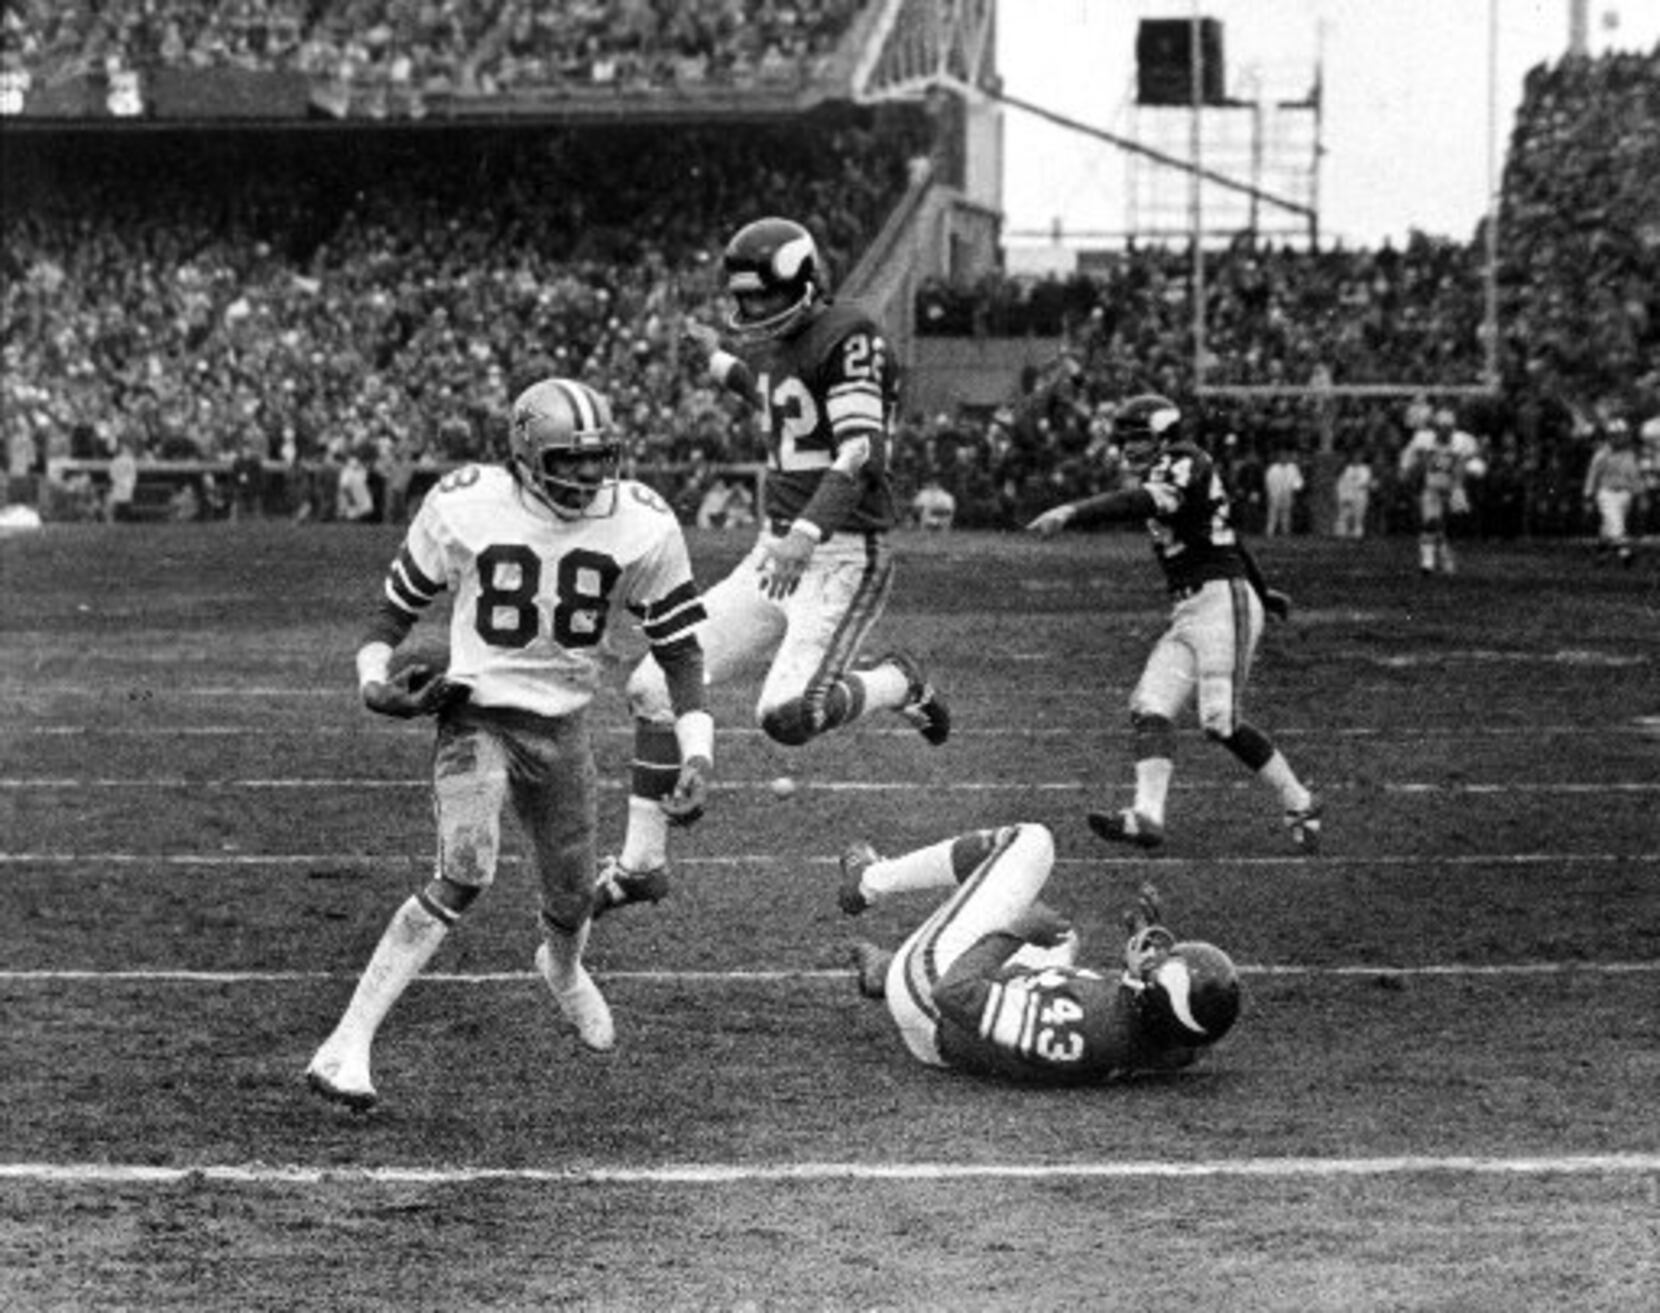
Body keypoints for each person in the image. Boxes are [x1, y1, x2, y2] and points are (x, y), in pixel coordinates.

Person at [306, 377, 712, 1111]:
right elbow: (389, 613)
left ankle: (561, 969)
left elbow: (681, 649)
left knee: (572, 891)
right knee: (466, 866)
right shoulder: (466, 503)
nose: (589, 476)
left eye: (599, 457)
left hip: (562, 727)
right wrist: (375, 684)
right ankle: (347, 1044)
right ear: (525, 456)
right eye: (570, 459)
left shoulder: (643, 521)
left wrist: (698, 750)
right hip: (476, 716)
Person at [596, 216, 951, 914]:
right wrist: (709, 355)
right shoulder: (785, 343)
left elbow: (859, 450)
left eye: (759, 297)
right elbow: (766, 390)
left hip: (839, 550)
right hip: (774, 551)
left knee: (788, 716)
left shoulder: (849, 335)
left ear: (802, 282)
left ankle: (897, 680)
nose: (747, 311)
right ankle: (641, 864)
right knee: (652, 686)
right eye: (742, 297)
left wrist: (809, 529)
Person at [1025, 393, 1322, 853]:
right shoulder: (1171, 468)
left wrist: (1072, 512)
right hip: (1190, 609)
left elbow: (1148, 502)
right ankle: (1148, 815)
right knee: (1151, 706)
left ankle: (1299, 800)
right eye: (1124, 438)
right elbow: (1227, 534)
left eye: (1139, 437)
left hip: (1222, 600)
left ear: (1166, 435)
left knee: (1220, 721)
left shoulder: (1185, 460)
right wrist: (1266, 591)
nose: (1128, 447)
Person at [839, 822, 1242, 1082]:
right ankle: (886, 974)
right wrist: (1146, 970)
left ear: (1150, 1001)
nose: (1153, 956)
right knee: (1062, 941)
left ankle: (869, 881)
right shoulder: (1172, 1045)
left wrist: (1015, 932)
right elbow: (1187, 1030)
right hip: (965, 1029)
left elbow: (953, 993)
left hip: (930, 1002)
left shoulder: (1091, 1019)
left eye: (1156, 967)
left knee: (1031, 841)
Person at [1398, 408, 1478, 576]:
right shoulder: (1424, 440)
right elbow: (1408, 454)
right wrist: (1405, 469)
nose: (1445, 432)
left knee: (1448, 527)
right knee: (1431, 522)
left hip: (1454, 489)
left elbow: (1470, 464)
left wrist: (1468, 476)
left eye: (1448, 428)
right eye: (1441, 428)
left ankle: (1444, 554)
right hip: (1432, 487)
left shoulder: (1462, 441)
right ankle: (1428, 562)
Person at [1581, 420, 1643, 567]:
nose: (1620, 438)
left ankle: (1601, 554)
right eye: (1616, 435)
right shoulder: (1601, 454)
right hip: (1606, 493)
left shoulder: (1629, 454)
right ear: (1610, 436)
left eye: (1622, 435)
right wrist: (1588, 495)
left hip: (1625, 494)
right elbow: (1592, 474)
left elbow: (1634, 475)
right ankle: (1626, 553)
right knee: (1616, 524)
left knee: (1608, 527)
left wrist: (1640, 493)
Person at [1333, 448, 1375, 538]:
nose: (1358, 457)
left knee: (1358, 520)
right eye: (1356, 455)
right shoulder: (1347, 469)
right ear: (1352, 457)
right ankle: (1340, 536)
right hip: (1348, 496)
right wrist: (1344, 497)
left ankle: (1357, 536)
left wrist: (1369, 485)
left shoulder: (1366, 469)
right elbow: (1342, 484)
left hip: (1361, 497)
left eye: (1360, 455)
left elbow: (1366, 483)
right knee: (1343, 518)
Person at [1262, 447, 1304, 537]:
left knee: (1286, 515)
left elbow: (1297, 480)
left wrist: (1296, 489)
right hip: (1275, 494)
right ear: (1278, 457)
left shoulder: (1292, 467)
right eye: (1282, 456)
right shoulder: (1273, 469)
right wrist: (1271, 493)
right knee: (1273, 515)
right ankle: (1270, 532)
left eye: (1285, 456)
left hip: (1288, 494)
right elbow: (1268, 481)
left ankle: (1286, 532)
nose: (1283, 458)